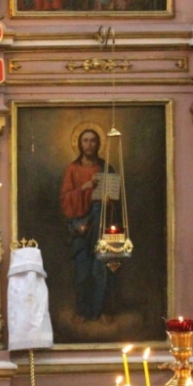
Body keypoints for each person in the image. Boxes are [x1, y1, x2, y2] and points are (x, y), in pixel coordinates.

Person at [59, 129, 113, 322]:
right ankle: (83, 311)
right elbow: (65, 199)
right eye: (85, 141)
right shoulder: (72, 169)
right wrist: (85, 187)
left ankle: (100, 310)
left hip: (100, 223)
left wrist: (108, 201)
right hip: (80, 226)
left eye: (93, 141)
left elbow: (116, 199)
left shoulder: (106, 168)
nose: (89, 145)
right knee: (82, 270)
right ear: (80, 144)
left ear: (98, 144)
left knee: (101, 269)